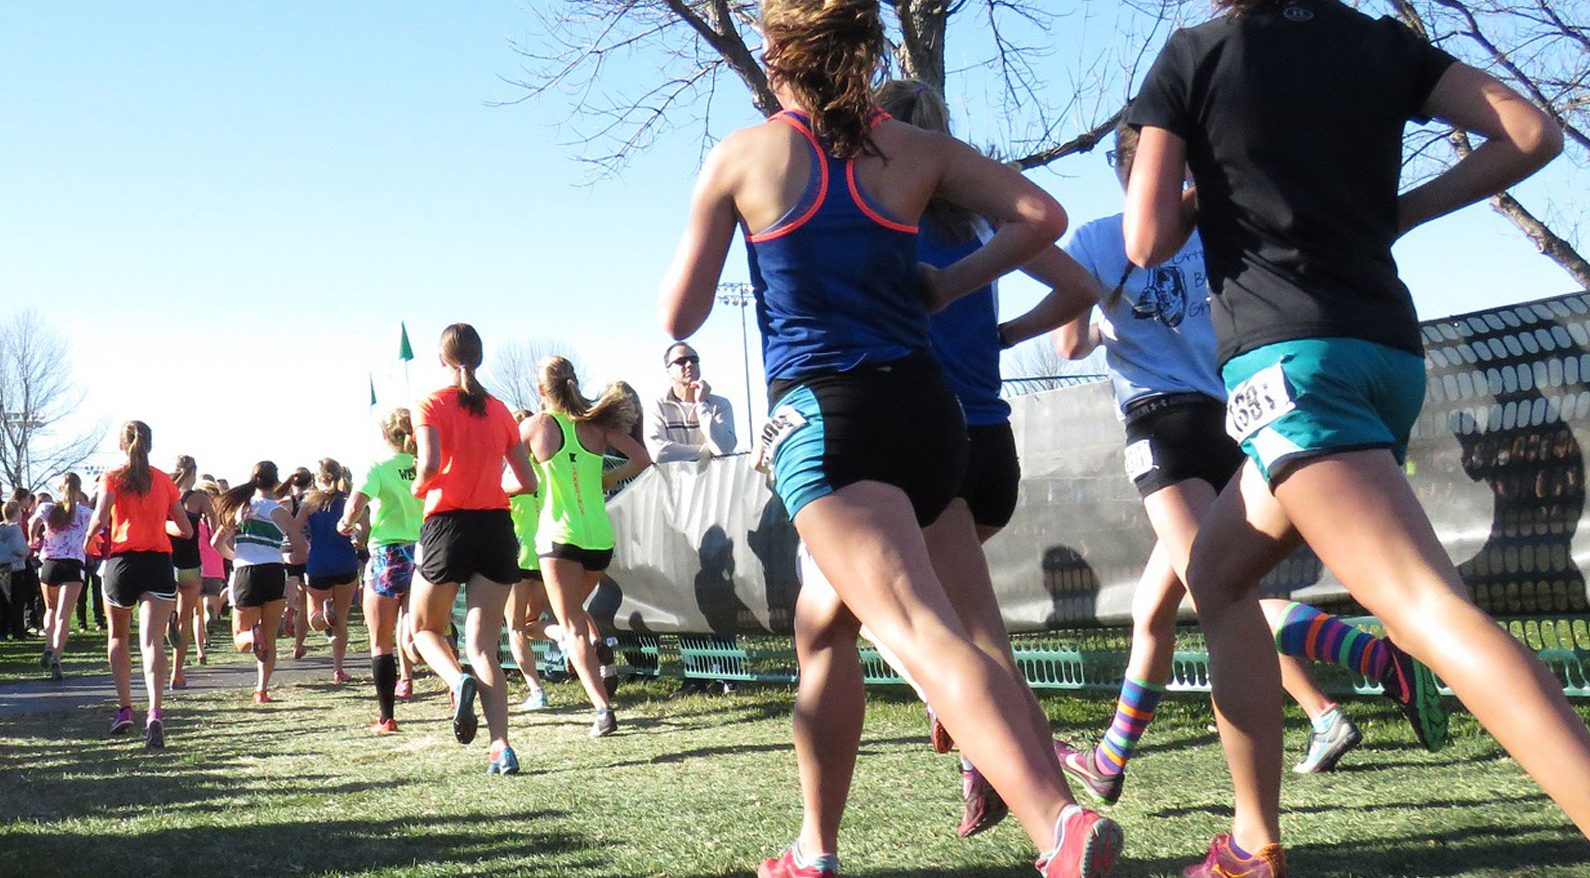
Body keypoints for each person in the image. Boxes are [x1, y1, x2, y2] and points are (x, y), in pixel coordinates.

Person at [1123, 0, 1590, 872]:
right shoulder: (1381, 41)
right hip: (1383, 353)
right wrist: (1400, 213)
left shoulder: (1193, 56)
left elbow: (1146, 239)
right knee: (1218, 577)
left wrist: (1208, 188)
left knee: (1426, 613)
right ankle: (1253, 844)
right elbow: (1532, 132)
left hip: (1292, 368)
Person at [658, 2, 1118, 875]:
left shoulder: (745, 156)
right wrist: (947, 285)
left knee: (923, 633)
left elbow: (679, 315)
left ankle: (1061, 826)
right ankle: (813, 848)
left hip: (832, 421)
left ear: (781, 50)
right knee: (827, 628)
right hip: (928, 417)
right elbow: (1044, 218)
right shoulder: (918, 152)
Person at [998, 120, 1449, 806]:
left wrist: (1098, 320)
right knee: (1155, 609)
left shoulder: (1099, 237)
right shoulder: (1223, 229)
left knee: (1222, 593)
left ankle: (1377, 659)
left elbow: (1067, 346)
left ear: (1128, 172)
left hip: (1163, 430)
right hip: (1237, 417)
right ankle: (1112, 759)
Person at [410, 323, 539, 775]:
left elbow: (426, 465)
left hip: (447, 523)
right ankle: (501, 746)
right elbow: (527, 482)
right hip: (496, 527)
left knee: (423, 628)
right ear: (479, 358)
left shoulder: (429, 403)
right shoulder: (502, 410)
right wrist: (490, 487)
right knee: (484, 643)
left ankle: (455, 679)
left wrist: (422, 489)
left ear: (441, 358)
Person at [525, 356, 651, 737]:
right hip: (598, 540)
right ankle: (597, 648)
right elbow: (643, 459)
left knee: (568, 625)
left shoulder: (535, 426)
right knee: (573, 617)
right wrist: (604, 479)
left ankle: (602, 709)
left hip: (558, 537)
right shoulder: (595, 425)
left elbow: (507, 469)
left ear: (541, 390)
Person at [83, 421, 192, 748]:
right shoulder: (164, 481)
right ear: (150, 444)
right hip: (158, 564)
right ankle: (155, 711)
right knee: (152, 642)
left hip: (122, 562)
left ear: (122, 445)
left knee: (119, 636)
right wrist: (161, 525)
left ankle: (125, 709)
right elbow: (185, 529)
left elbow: (101, 516)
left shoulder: (112, 478)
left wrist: (89, 538)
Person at [338, 409, 424, 734]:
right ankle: (453, 687)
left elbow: (355, 503)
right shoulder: (423, 466)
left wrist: (345, 524)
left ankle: (387, 718)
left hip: (389, 554)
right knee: (425, 630)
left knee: (381, 642)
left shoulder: (378, 467)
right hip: (426, 550)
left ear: (384, 435)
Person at [212, 462, 306, 703]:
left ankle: (253, 638)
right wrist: (285, 557)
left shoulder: (240, 508)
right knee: (270, 637)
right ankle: (261, 690)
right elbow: (299, 545)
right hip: (274, 571)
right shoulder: (279, 511)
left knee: (240, 637)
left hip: (246, 574)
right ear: (275, 482)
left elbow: (216, 543)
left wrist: (236, 557)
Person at [298, 457, 360, 684]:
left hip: (319, 563)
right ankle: (338, 669)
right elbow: (366, 528)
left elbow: (295, 529)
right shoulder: (348, 500)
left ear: (317, 478)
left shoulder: (309, 503)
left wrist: (304, 545)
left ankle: (325, 616)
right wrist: (359, 542)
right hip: (345, 561)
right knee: (341, 620)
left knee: (314, 621)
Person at [506, 408, 550, 712]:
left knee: (516, 628)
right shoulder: (549, 470)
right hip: (547, 552)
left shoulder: (510, 473)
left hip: (518, 553)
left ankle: (537, 691)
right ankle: (565, 637)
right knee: (536, 623)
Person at [35, 473, 94, 680]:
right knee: (63, 615)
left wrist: (33, 538)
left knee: (50, 609)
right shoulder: (86, 513)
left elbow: (33, 523)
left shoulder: (47, 508)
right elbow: (99, 529)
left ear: (60, 488)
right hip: (73, 564)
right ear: (79, 490)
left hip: (50, 563)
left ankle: (48, 645)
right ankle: (57, 655)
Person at [168, 456, 217, 688]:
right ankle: (177, 673)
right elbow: (215, 530)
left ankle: (168, 618)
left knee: (159, 612)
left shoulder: (165, 495)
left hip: (164, 562)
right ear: (194, 472)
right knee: (186, 617)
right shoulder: (200, 498)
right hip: (190, 564)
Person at [647, 342, 738, 463]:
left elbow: (724, 449)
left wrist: (702, 404)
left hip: (710, 481)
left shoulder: (720, 404)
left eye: (694, 360)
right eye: (681, 361)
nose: (689, 364)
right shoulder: (658, 405)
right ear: (668, 370)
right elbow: (658, 452)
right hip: (673, 481)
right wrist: (708, 452)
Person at [277, 466, 314, 660]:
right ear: (310, 483)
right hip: (306, 548)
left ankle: (289, 607)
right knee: (306, 599)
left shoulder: (283, 503)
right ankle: (299, 645)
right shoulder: (312, 503)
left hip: (286, 549)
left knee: (292, 580)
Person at [0, 501, 30, 642]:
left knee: (4, 602)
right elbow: (20, 549)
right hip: (15, 567)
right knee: (17, 601)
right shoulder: (15, 529)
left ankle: (3, 630)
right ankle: (18, 631)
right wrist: (27, 550)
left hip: (2, 567)